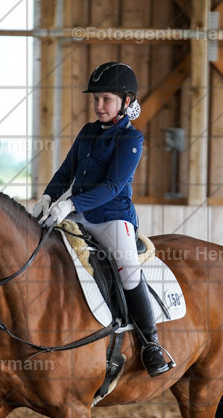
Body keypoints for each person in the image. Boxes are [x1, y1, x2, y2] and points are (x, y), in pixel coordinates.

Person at [33, 62, 174, 378]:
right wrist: (47, 197)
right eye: (95, 99)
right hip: (76, 213)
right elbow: (65, 172)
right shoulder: (87, 132)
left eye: (106, 99)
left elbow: (112, 186)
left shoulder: (131, 139)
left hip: (112, 218)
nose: (99, 105)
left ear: (126, 101)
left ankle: (151, 344)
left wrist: (69, 203)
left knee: (127, 270)